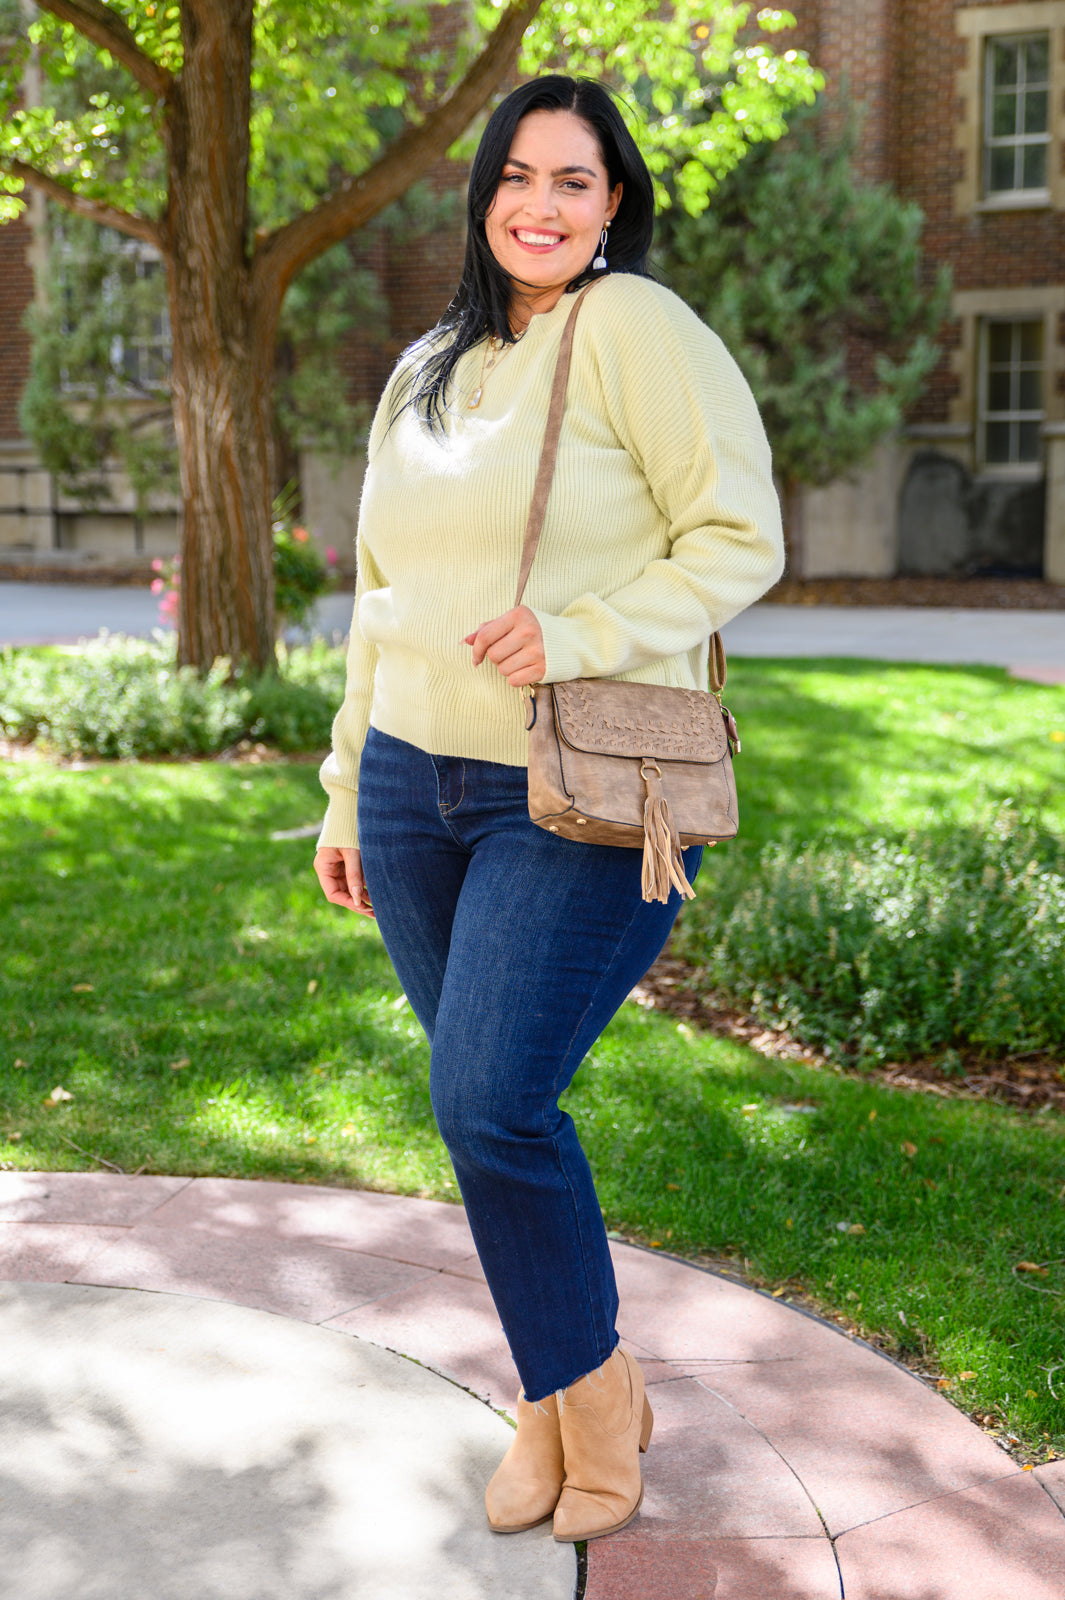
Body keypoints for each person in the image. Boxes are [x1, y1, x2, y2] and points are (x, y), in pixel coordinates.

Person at [314, 74, 784, 1544]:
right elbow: (377, 603)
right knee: (482, 1115)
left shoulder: (634, 328)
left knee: (490, 1100)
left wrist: (574, 630)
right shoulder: (424, 370)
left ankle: (577, 1393)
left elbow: (740, 533)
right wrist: (341, 788)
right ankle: (576, 1397)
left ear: (615, 201)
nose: (540, 205)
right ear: (482, 196)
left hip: (574, 786)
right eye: (517, 177)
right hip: (408, 781)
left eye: (573, 181)